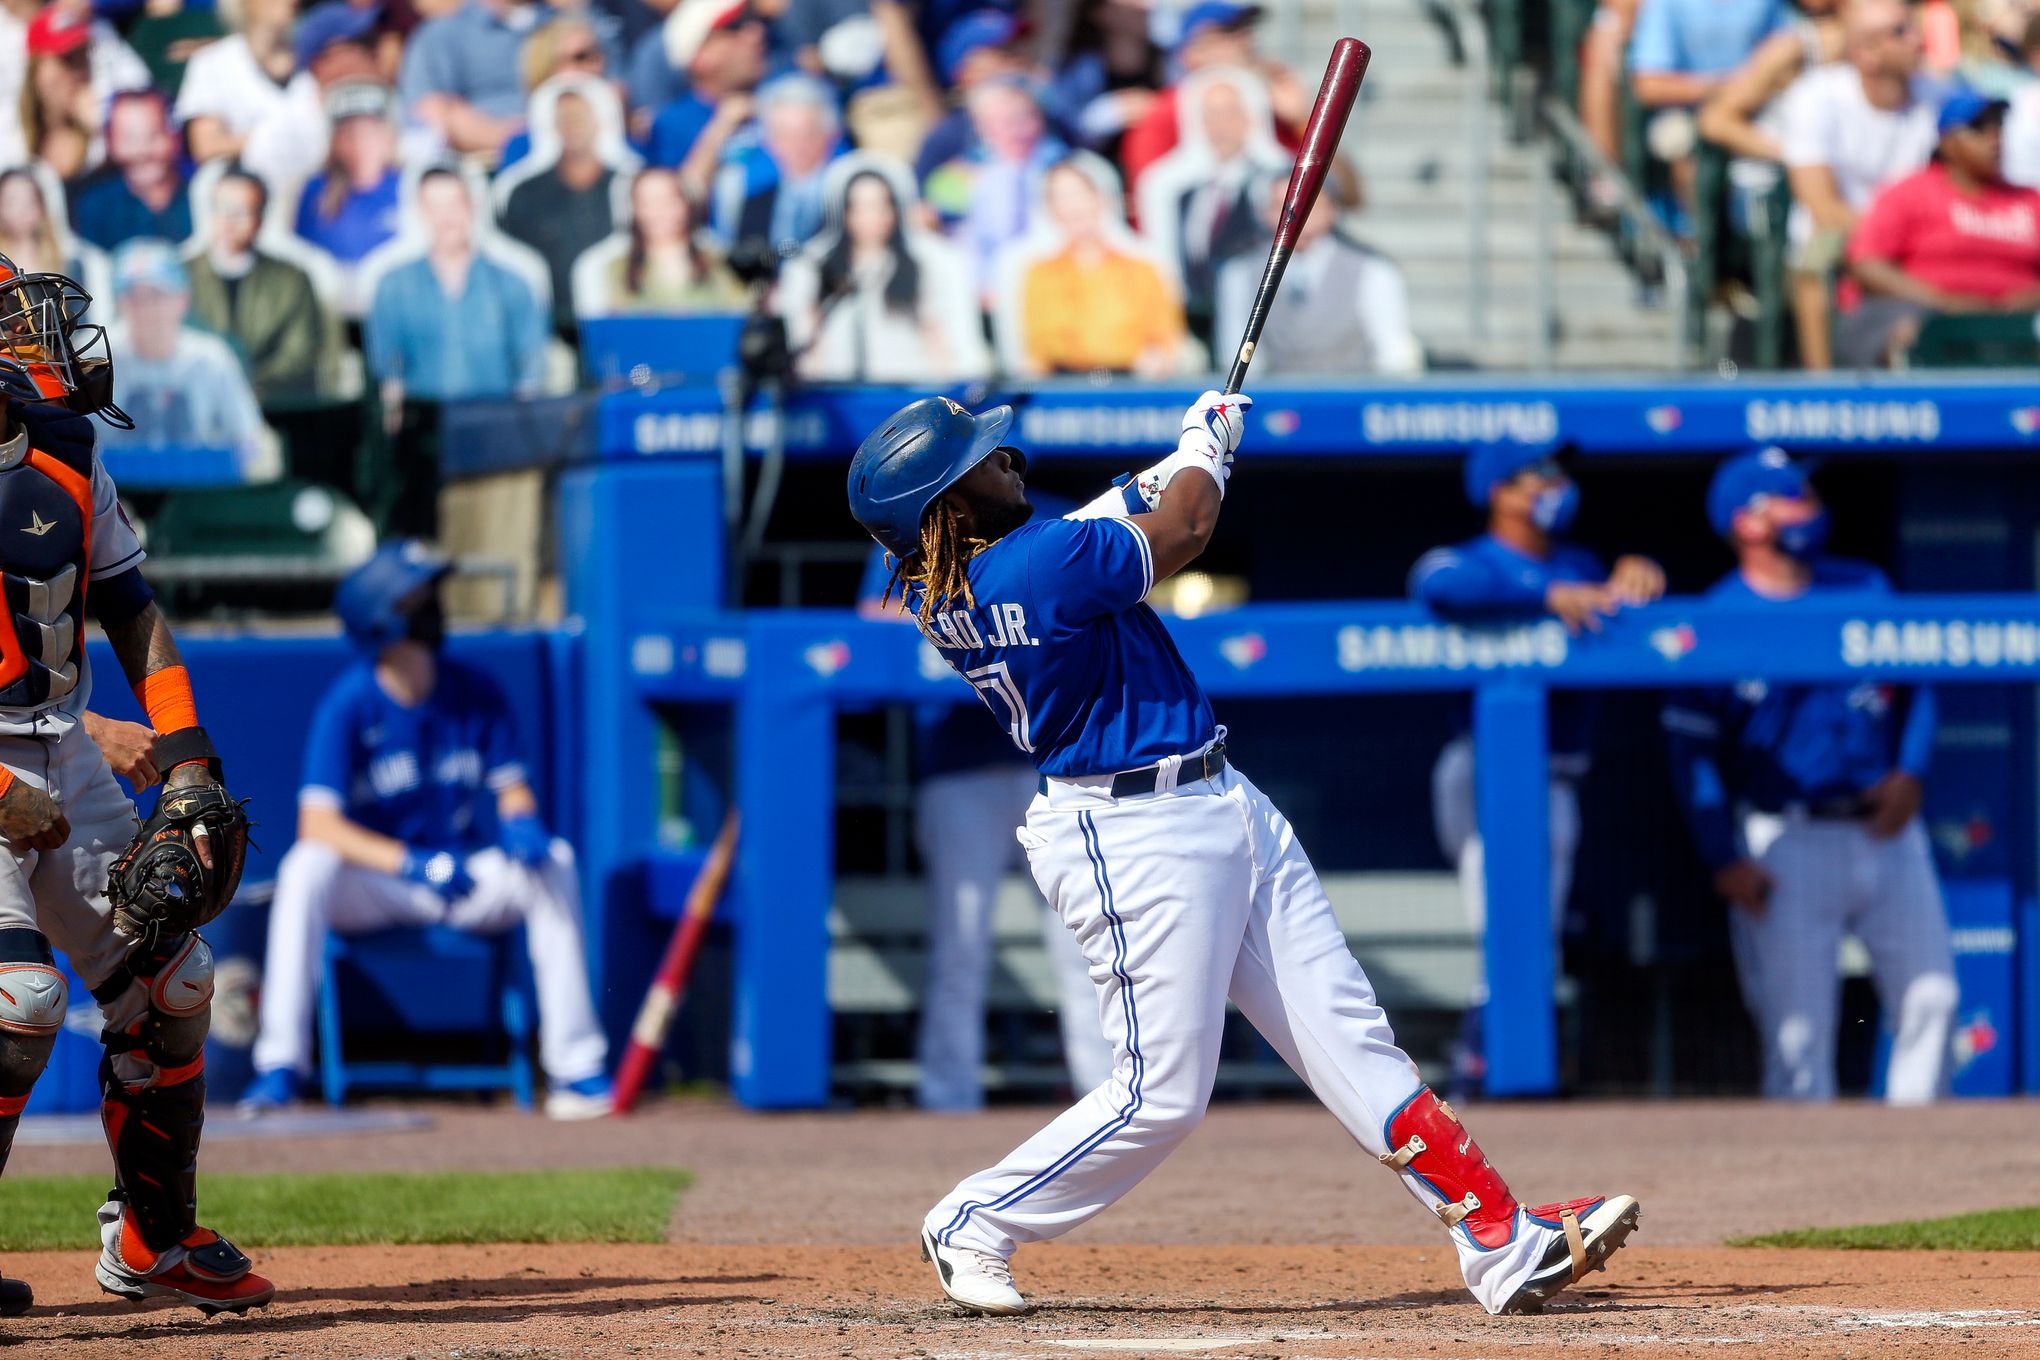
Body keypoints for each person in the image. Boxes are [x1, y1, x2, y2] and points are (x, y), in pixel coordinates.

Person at [848, 393, 1640, 1318]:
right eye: (986, 462)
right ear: (947, 507)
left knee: (1347, 1032)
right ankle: (974, 1219)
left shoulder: (948, 579)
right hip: (1134, 834)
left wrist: (1174, 454)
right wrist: (1202, 452)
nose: (1012, 459)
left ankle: (1495, 1235)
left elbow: (1098, 518)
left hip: (1217, 799)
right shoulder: (1038, 563)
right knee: (1162, 1094)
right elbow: (1181, 527)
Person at [0, 249, 275, 1315]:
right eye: (17, 327)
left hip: (57, 737)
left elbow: (131, 609)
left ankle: (155, 1235)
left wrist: (188, 754)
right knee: (18, 1003)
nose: (47, 343)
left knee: (176, 981)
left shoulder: (67, 450)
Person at [239, 542, 614, 1120]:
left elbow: (512, 789)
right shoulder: (350, 705)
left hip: (462, 877)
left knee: (556, 860)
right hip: (383, 883)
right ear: (381, 618)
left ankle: (577, 1067)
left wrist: (521, 821)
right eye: (417, 599)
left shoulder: (475, 691)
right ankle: (281, 1065)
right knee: (304, 867)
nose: (434, 608)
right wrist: (411, 863)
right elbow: (319, 824)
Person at [1662, 448, 1956, 1103]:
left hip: (1883, 829)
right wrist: (1721, 855)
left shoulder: (1864, 586)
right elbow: (1692, 753)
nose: (1812, 506)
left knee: (1932, 995)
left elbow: (1919, 689)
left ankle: (1921, 1165)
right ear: (1748, 522)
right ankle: (1809, 1193)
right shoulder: (1716, 615)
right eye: (1792, 495)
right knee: (1797, 1037)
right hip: (1785, 835)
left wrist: (1912, 771)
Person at [1409, 440, 1665, 1098]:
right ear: (1501, 491)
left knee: (1526, 938)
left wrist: (1638, 571)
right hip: (1487, 768)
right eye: (1538, 475)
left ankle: (1474, 1073)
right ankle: (1476, 1078)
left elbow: (1628, 604)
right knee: (1508, 932)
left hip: (1555, 775)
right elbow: (1435, 582)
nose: (1556, 485)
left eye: (1558, 472)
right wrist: (1542, 592)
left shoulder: (1580, 561)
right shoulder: (1477, 561)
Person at [854, 492, 1108, 1110]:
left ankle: (1112, 1096)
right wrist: (975, 617)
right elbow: (870, 619)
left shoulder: (1045, 520)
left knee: (1084, 943)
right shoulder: (914, 532)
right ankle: (948, 1096)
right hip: (957, 765)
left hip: (1047, 765)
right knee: (960, 942)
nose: (999, 469)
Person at [1775, 0, 1938, 367]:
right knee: (1813, 259)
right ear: (1866, 53)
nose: (1917, 38)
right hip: (1843, 241)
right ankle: (1824, 393)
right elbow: (1821, 207)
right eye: (1900, 31)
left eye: (1912, 25)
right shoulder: (1816, 96)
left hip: (1915, 244)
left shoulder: (1937, 95)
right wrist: (1892, 241)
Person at [1843, 91, 2040, 364]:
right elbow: (1867, 264)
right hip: (1926, 313)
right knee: (1908, 333)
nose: (1994, 138)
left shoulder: (2029, 199)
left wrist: (2030, 298)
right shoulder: (1909, 193)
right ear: (1947, 142)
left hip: (2019, 322)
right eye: (1978, 128)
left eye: (1998, 126)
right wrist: (1944, 302)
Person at [778, 162, 989, 382]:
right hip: (838, 396)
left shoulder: (928, 264)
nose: (871, 218)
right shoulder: (815, 266)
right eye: (859, 207)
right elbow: (809, 345)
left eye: (881, 206)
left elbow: (941, 339)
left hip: (907, 393)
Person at [1213, 166, 1421, 376]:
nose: (1296, 219)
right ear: (1265, 213)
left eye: (1309, 207)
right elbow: (1237, 357)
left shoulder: (1374, 271)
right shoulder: (1239, 274)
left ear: (1332, 210)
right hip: (1276, 401)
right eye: (1283, 208)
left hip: (1350, 396)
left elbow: (1393, 353)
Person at [364, 168, 549, 402]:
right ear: (419, 211)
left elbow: (531, 371)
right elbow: (390, 373)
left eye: (454, 203)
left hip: (496, 418)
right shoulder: (393, 286)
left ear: (472, 206)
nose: (446, 217)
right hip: (424, 425)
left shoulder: (513, 284)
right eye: (434, 206)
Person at [99, 239, 278, 480]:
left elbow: (250, 439)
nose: (146, 309)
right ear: (120, 303)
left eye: (157, 296)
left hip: (198, 496)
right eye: (134, 297)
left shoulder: (212, 359)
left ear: (182, 299)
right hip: (114, 499)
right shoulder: (93, 358)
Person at [1135, 66, 1289, 324]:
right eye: (1211, 115)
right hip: (1195, 320)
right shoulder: (1175, 189)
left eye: (1231, 113)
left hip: (1262, 322)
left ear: (1252, 117)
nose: (1221, 126)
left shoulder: (1276, 182)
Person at [1008, 156, 1183, 377]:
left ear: (1102, 199)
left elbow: (1166, 340)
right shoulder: (1039, 274)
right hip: (1063, 384)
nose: (1074, 206)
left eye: (1081, 194)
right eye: (1061, 198)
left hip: (1130, 382)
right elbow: (1038, 348)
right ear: (1051, 210)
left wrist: (1156, 360)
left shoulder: (1142, 268)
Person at [1119, 2, 1304, 194]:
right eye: (1226, 35)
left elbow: (1316, 185)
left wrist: (1301, 122)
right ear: (1189, 53)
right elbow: (1150, 197)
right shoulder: (1164, 112)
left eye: (1244, 31)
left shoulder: (1266, 101)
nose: (1244, 42)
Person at [185, 166, 332, 399]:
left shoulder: (292, 280)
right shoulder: (181, 276)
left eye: (241, 211)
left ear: (261, 217)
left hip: (272, 403)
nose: (228, 221)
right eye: (219, 209)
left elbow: (299, 354)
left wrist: (248, 386)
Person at [921, 75, 1068, 302]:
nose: (1020, 131)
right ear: (983, 128)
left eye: (1027, 117)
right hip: (989, 290)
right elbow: (930, 219)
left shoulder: (1059, 162)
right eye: (1007, 122)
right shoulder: (959, 175)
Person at [500, 80, 626, 331]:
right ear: (553, 125)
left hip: (617, 324)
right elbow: (511, 263)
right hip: (547, 327)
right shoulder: (524, 193)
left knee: (638, 372)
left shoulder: (629, 183)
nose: (573, 126)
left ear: (599, 120)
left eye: (580, 117)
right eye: (565, 118)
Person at [571, 165, 747, 315]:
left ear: (687, 204)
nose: (657, 211)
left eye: (667, 201)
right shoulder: (612, 268)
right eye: (645, 202)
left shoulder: (721, 261)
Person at [293, 80, 406, 305]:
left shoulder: (408, 186)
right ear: (333, 142)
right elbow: (302, 258)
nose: (359, 143)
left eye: (369, 131)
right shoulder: (315, 191)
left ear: (389, 136)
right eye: (347, 134)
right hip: (331, 307)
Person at [708, 71, 842, 254]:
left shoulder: (848, 199)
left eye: (808, 132)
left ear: (831, 135)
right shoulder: (750, 201)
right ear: (769, 141)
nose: (798, 145)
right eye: (784, 135)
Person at [399, 0, 553, 158]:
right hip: (483, 166)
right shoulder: (444, 32)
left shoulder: (563, 24)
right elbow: (425, 113)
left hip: (565, 152)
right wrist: (515, 138)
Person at [648, 0, 768, 183]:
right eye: (734, 28)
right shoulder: (672, 125)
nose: (756, 35)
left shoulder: (784, 94)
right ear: (701, 57)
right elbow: (673, 203)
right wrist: (721, 127)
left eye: (753, 21)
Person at [174, 0, 302, 165]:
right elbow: (206, 146)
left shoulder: (315, 54)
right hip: (247, 177)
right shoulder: (211, 63)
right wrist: (276, 142)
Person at [67, 89, 193, 251]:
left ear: (175, 137)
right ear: (110, 142)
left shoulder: (202, 194)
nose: (143, 150)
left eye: (154, 135)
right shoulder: (95, 207)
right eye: (129, 138)